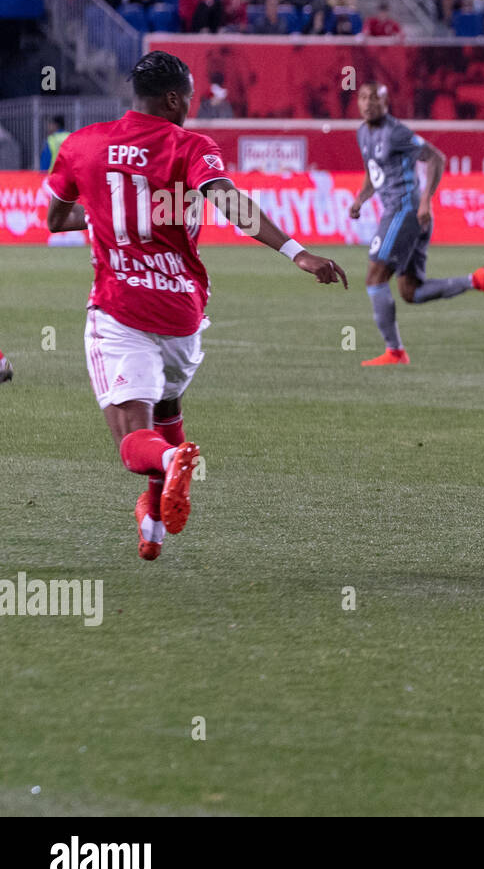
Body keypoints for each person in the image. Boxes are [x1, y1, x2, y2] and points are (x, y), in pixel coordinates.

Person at [43, 51, 347, 561]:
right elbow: (228, 203)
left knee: (135, 442)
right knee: (167, 406)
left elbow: (55, 218)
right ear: (173, 99)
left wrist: (104, 212)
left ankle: (172, 458)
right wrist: (296, 252)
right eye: (190, 98)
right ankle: (155, 526)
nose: (192, 106)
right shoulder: (191, 146)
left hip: (122, 311)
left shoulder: (83, 144)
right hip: (183, 316)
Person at [347, 82, 484, 366]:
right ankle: (477, 280)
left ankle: (395, 352)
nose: (368, 103)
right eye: (363, 98)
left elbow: (435, 157)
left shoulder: (396, 132)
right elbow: (374, 173)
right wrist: (361, 199)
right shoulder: (362, 133)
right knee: (411, 292)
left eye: (375, 98)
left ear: (386, 103)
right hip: (402, 213)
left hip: (405, 211)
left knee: (375, 277)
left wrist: (425, 201)